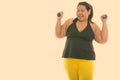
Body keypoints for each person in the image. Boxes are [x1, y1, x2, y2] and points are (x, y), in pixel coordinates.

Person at [55, 1, 108, 80]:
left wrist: (104, 22)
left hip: (86, 60)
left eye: (82, 10)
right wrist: (59, 19)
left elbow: (103, 40)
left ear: (89, 11)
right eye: (78, 10)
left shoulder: (93, 26)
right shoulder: (70, 22)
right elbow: (59, 34)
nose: (79, 13)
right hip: (70, 59)